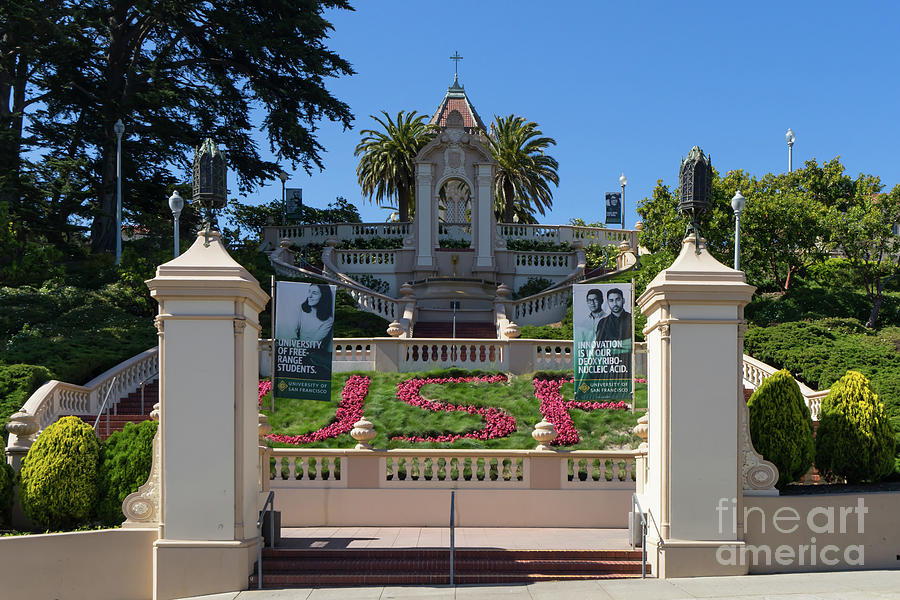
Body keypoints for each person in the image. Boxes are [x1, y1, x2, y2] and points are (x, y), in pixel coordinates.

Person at [297, 284, 334, 352]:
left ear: (323, 296)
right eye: (309, 292)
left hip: (310, 354)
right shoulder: (300, 309)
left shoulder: (328, 320)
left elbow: (313, 343)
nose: (309, 296)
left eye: (314, 293)